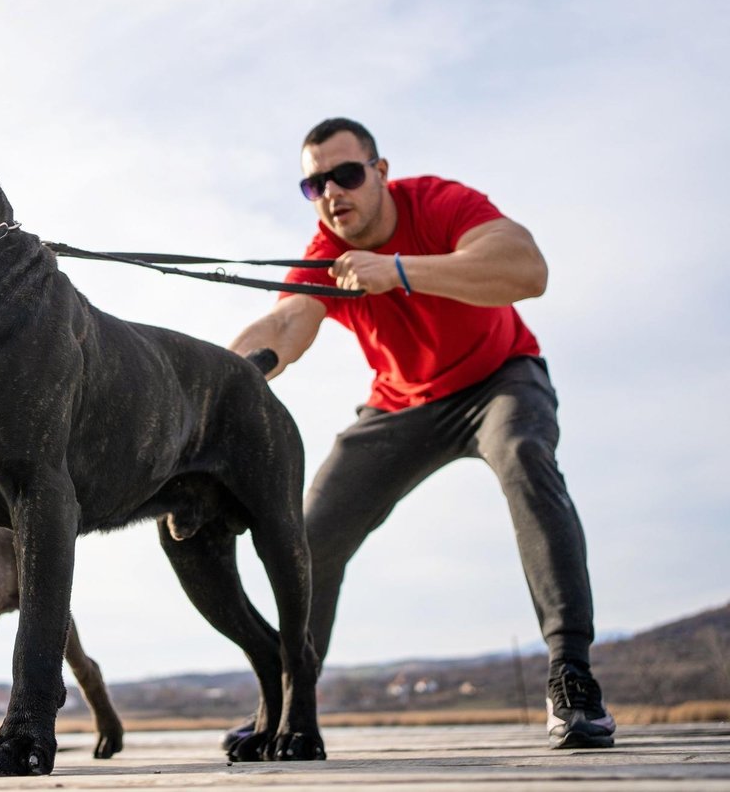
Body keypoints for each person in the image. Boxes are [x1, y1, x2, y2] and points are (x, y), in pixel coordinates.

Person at [229, 118, 615, 749]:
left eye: (346, 175)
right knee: (311, 532)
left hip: (499, 380)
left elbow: (527, 269)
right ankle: (290, 699)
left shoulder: (438, 202)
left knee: (524, 456)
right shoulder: (326, 256)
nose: (331, 193)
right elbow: (285, 327)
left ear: (380, 174)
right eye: (313, 184)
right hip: (399, 405)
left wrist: (401, 270)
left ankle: (571, 675)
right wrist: (212, 388)